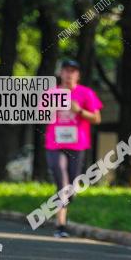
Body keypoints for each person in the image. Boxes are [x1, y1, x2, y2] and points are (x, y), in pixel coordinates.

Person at [44, 59, 102, 238]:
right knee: (61, 181)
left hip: (77, 145)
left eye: (73, 71)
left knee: (70, 187)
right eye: (66, 71)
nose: (69, 74)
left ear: (78, 75)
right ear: (61, 73)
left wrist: (79, 111)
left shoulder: (86, 93)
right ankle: (60, 226)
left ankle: (70, 193)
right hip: (55, 144)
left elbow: (96, 119)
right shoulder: (51, 93)